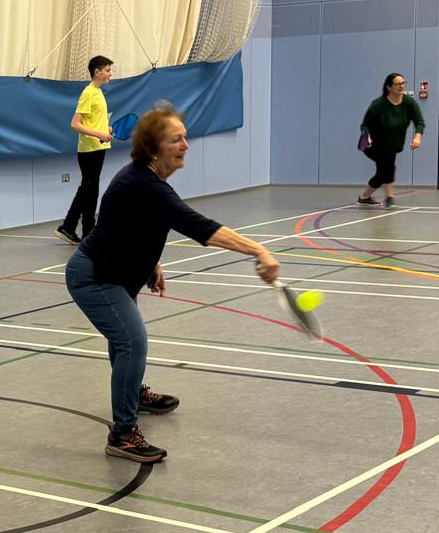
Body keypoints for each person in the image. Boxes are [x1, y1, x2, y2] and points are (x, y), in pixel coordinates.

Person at [66, 104, 280, 463]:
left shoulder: (143, 181)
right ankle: (123, 435)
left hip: (116, 273)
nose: (185, 145)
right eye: (176, 140)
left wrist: (152, 263)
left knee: (124, 341)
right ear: (153, 148)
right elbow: (201, 227)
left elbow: (126, 225)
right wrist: (259, 250)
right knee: (131, 341)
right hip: (94, 277)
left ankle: (132, 394)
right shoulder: (145, 185)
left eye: (185, 137)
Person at [55, 55, 116, 244]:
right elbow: (75, 124)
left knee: (89, 190)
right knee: (88, 190)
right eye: (107, 70)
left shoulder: (98, 92)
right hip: (89, 150)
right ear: (97, 72)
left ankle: (73, 228)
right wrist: (99, 134)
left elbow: (93, 121)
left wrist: (105, 129)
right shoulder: (88, 93)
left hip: (98, 147)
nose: (110, 74)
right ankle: (81, 231)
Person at [358, 72, 425, 207]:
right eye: (397, 84)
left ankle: (364, 197)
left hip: (392, 144)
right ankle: (389, 197)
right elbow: (364, 125)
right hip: (373, 144)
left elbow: (419, 122)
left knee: (383, 171)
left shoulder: (409, 103)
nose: (401, 86)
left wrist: (417, 136)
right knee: (386, 168)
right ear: (389, 87)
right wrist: (367, 136)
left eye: (403, 83)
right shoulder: (378, 104)